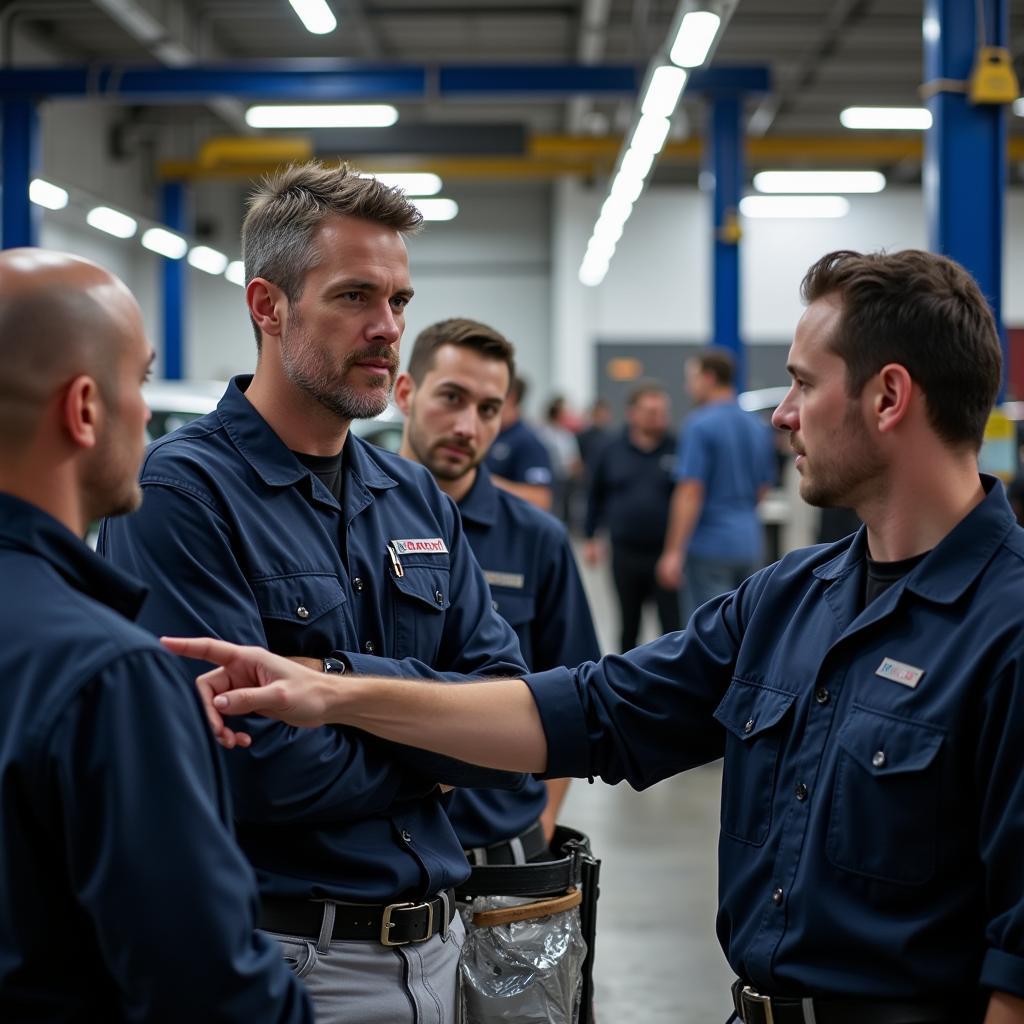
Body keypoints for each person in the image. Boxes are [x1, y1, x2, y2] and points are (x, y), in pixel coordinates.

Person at [172, 249, 1024, 1024]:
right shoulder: (790, 600)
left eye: (803, 384)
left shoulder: (1006, 629)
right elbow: (594, 710)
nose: (784, 417)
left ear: (888, 397)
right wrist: (337, 691)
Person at [98, 163, 528, 1024]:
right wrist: (435, 743)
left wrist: (335, 696)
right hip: (289, 961)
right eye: (355, 297)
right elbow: (250, 767)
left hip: (441, 956)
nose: (387, 329)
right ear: (269, 305)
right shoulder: (182, 497)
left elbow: (511, 736)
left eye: (400, 301)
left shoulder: (412, 498)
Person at [0, 248, 311, 1022]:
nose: (147, 412)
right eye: (138, 382)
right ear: (83, 409)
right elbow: (211, 991)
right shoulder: (105, 676)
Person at [393, 316, 600, 861]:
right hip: (380, 849)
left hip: (499, 854)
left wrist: (543, 822)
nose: (468, 426)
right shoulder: (352, 519)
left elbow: (574, 695)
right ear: (405, 393)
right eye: (451, 398)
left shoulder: (537, 539)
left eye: (488, 409)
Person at [656, 348, 776, 616]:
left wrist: (673, 552)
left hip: (709, 546)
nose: (688, 387)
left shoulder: (699, 425)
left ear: (709, 378)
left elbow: (690, 491)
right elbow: (763, 487)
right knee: (743, 627)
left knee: (709, 637)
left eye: (692, 379)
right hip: (749, 543)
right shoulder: (755, 425)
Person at [584, 381, 680, 651]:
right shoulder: (611, 449)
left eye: (662, 412)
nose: (658, 418)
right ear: (632, 414)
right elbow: (595, 494)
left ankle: (673, 686)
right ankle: (625, 685)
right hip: (625, 552)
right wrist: (591, 537)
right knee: (628, 624)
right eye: (651, 412)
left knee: (672, 626)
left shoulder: (678, 447)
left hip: (665, 553)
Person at [485, 375, 554, 510]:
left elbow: (540, 499)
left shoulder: (528, 442)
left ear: (511, 397)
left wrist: (482, 482)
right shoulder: (487, 434)